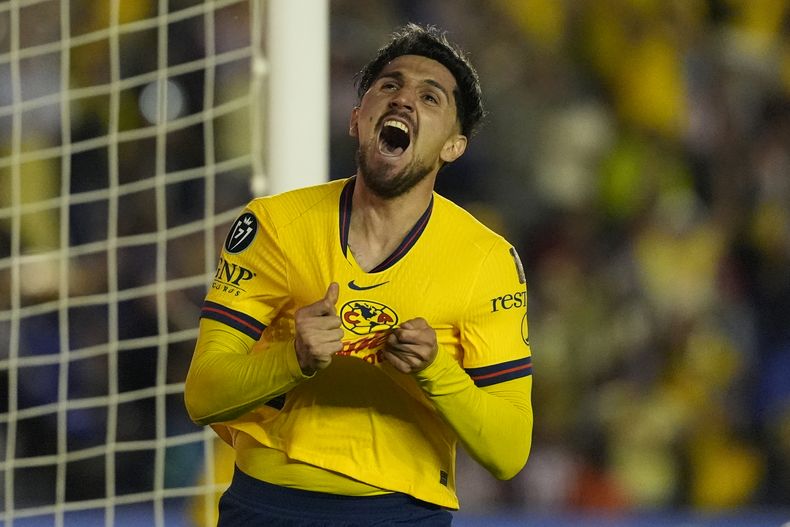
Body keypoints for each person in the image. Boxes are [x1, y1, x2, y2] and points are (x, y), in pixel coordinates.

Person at [184, 22, 533, 526]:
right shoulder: (274, 226)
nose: (403, 100)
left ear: (453, 147)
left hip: (400, 512)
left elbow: (509, 450)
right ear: (356, 118)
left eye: (430, 98)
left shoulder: (486, 259)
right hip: (268, 501)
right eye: (389, 85)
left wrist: (436, 370)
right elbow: (202, 394)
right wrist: (295, 357)